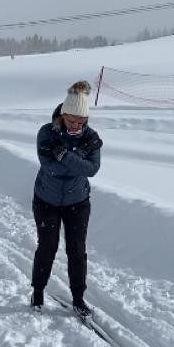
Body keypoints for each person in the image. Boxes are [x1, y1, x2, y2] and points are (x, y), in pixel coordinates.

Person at [29, 80, 102, 317]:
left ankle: (79, 298)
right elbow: (50, 167)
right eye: (72, 120)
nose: (76, 126)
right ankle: (38, 290)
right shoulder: (46, 133)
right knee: (48, 247)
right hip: (46, 200)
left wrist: (65, 155)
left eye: (81, 122)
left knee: (77, 251)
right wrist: (74, 159)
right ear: (63, 114)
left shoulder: (91, 137)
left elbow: (92, 169)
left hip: (78, 202)